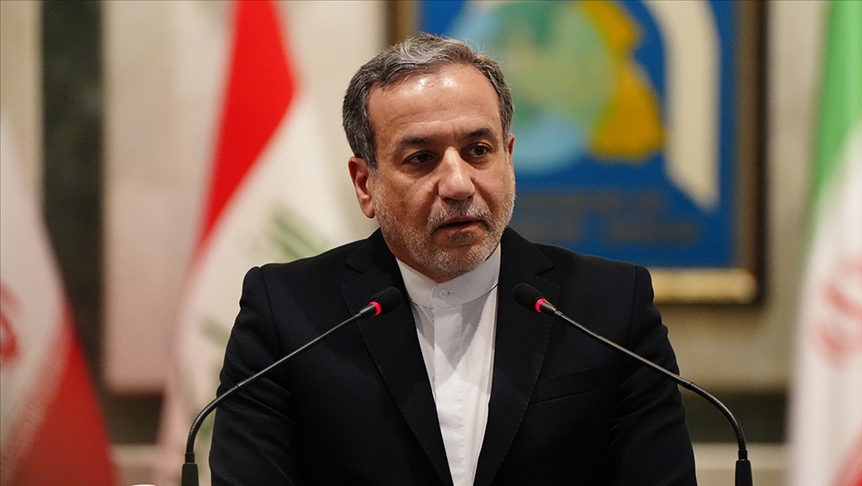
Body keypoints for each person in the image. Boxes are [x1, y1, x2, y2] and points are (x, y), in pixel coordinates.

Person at [210, 34, 696, 485]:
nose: (459, 184)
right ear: (365, 184)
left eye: (478, 150)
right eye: (421, 158)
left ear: (508, 157)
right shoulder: (287, 315)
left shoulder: (610, 308)